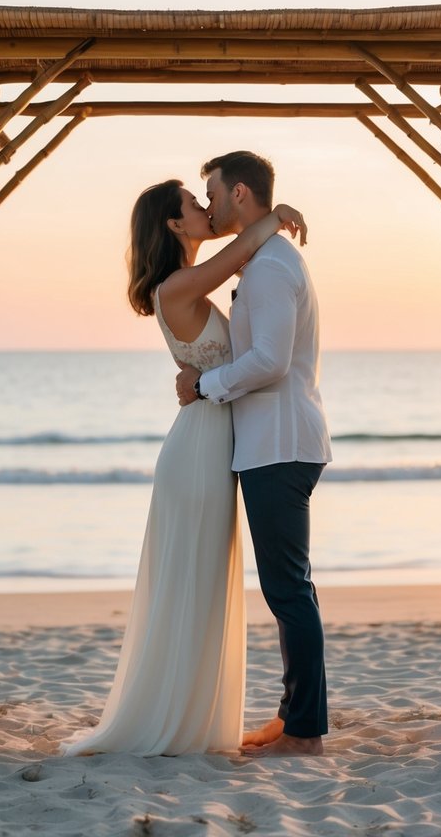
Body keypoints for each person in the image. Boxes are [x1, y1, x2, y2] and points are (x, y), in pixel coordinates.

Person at [62, 178, 306, 757]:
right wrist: (274, 217)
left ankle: (195, 717)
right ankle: (175, 720)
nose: (204, 208)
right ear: (174, 225)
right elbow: (238, 252)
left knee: (202, 585)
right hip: (197, 453)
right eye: (194, 205)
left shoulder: (183, 284)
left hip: (210, 444)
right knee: (193, 586)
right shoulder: (177, 285)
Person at [175, 151, 331, 758]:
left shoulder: (269, 268)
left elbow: (269, 360)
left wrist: (204, 387)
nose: (208, 204)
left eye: (211, 192)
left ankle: (304, 732)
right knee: (291, 589)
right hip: (275, 444)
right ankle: (297, 718)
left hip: (279, 446)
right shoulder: (268, 257)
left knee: (288, 590)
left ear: (240, 193)